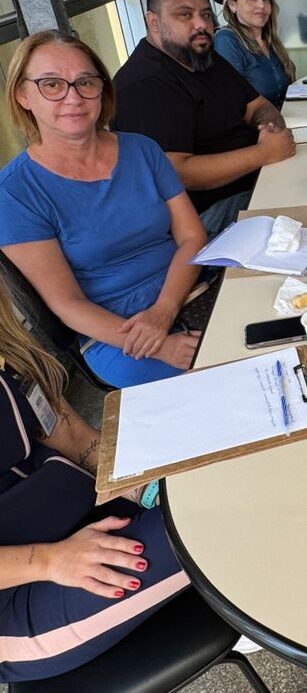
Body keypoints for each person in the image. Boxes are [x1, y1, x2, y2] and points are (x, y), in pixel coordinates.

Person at [0, 283, 189, 682]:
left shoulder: (7, 342)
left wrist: (144, 485)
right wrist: (49, 560)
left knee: (220, 473)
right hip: (16, 601)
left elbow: (72, 436)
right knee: (211, 522)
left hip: (65, 513)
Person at [0, 31, 205, 388]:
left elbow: (192, 236)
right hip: (117, 333)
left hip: (187, 288)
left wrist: (164, 309)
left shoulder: (142, 149)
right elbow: (67, 303)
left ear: (102, 89)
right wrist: (160, 345)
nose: (73, 97)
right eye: (52, 84)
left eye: (85, 82)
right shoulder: (15, 192)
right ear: (23, 95)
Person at [113, 0, 295, 237]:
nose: (201, 25)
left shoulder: (203, 57)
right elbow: (177, 172)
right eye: (185, 14)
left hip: (258, 175)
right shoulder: (144, 84)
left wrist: (270, 129)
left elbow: (256, 105)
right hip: (207, 214)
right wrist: (264, 153)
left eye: (206, 15)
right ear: (153, 22)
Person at [214, 0, 296, 107]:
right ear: (232, 5)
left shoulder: (270, 41)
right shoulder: (226, 40)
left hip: (285, 116)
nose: (261, 5)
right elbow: (231, 102)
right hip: (259, 121)